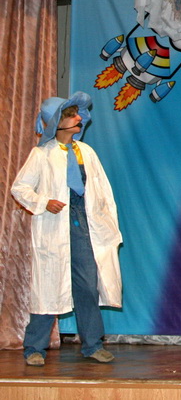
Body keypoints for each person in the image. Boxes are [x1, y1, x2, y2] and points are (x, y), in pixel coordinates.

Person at [11, 92, 122, 366]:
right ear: (57, 123)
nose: (78, 118)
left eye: (77, 114)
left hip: (84, 224)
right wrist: (43, 202)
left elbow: (103, 191)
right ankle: (34, 347)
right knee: (49, 285)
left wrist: (107, 221)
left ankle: (93, 344)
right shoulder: (42, 155)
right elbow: (20, 188)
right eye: (71, 115)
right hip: (55, 226)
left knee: (87, 285)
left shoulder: (86, 153)